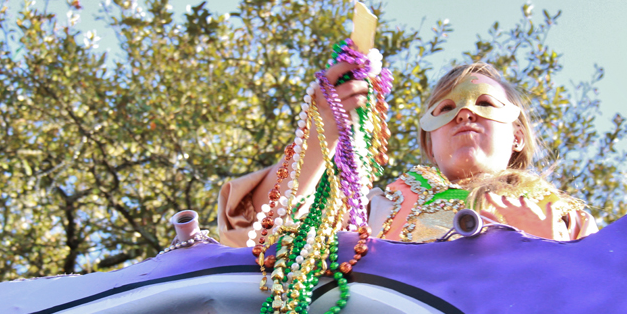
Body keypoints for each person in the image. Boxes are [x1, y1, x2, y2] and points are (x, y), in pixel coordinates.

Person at [218, 61, 596, 247]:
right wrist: (319, 136)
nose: (465, 113)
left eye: (485, 103)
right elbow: (258, 238)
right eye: (445, 109)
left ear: (517, 135)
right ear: (429, 143)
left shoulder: (564, 217)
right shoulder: (375, 211)